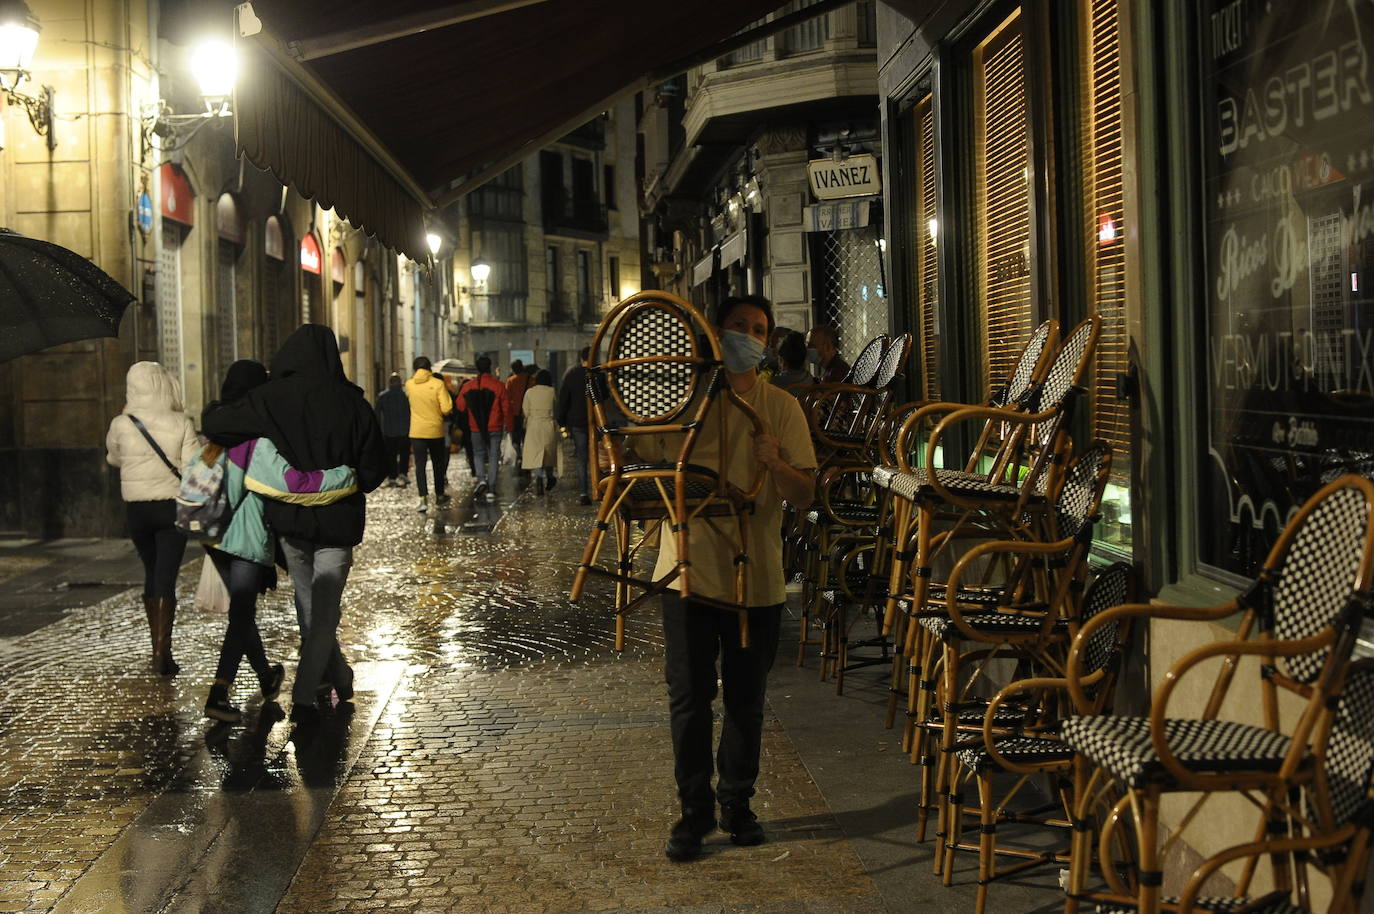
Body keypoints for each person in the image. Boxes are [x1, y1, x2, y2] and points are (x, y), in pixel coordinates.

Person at [620, 295, 818, 862]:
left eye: (760, 329)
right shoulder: (685, 402)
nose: (749, 336)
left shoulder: (781, 407)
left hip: (756, 577)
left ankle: (738, 803)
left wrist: (775, 462)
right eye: (739, 326)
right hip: (685, 573)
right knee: (689, 699)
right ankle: (693, 812)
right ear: (715, 332)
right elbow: (639, 456)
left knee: (746, 701)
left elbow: (804, 494)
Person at [203, 324, 387, 727]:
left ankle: (330, 679)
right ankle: (310, 693)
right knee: (321, 614)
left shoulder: (270, 400)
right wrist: (346, 478)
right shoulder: (353, 404)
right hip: (338, 526)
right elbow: (374, 470)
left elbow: (217, 425)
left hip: (290, 526)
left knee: (311, 609)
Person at [201, 360, 286, 723]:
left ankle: (267, 678)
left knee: (242, 613)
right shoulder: (259, 437)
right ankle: (218, 693)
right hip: (248, 539)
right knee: (241, 615)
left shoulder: (216, 428)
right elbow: (279, 488)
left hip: (216, 535)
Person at [105, 361, 201, 675]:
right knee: (166, 576)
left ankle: (155, 647)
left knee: (150, 569)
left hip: (137, 510)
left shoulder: (121, 422)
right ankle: (163, 652)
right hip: (171, 506)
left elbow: (114, 457)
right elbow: (193, 467)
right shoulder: (181, 422)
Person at [454, 355, 509, 501]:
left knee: (478, 454)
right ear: (490, 367)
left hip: (475, 427)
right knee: (493, 456)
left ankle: (481, 479)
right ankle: (491, 488)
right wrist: (509, 425)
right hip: (495, 426)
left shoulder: (468, 386)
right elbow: (506, 408)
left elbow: (460, 406)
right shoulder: (499, 386)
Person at [404, 356, 454, 512]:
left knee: (420, 465)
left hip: (416, 431)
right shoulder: (438, 384)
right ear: (429, 369)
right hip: (435, 430)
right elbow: (446, 408)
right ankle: (439, 496)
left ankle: (423, 499)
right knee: (437, 464)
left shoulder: (409, 384)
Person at [556, 346, 593, 506]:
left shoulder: (572, 375)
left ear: (580, 358)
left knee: (582, 457)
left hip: (577, 422)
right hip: (596, 421)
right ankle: (602, 488)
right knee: (598, 456)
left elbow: (564, 399)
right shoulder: (598, 374)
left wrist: (561, 421)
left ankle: (584, 492)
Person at [521, 369, 559, 495]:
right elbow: (556, 408)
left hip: (533, 426)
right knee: (548, 453)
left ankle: (538, 479)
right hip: (548, 425)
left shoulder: (529, 392)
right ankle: (549, 476)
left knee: (536, 454)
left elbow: (526, 411)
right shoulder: (552, 391)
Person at [375, 372, 411, 487]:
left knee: (391, 455)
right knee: (404, 453)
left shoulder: (382, 396)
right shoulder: (406, 395)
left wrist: (379, 429)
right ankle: (403, 473)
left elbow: (377, 414)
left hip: (389, 430)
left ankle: (392, 476)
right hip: (405, 429)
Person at [506, 359, 535, 472]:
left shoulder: (511, 381)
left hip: (515, 414)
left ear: (513, 369)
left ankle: (519, 455)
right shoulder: (531, 379)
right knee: (526, 437)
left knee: (515, 438)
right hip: (529, 414)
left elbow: (507, 398)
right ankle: (527, 456)